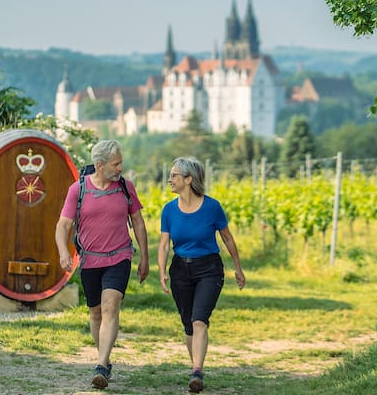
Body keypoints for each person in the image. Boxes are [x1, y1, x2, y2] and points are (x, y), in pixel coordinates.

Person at [55, 139, 149, 390]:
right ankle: (103, 361)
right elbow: (63, 225)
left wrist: (144, 257)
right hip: (90, 260)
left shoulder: (126, 188)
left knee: (110, 307)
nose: (120, 168)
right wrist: (64, 252)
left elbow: (138, 222)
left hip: (119, 257)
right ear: (100, 165)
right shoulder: (79, 189)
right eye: (116, 164)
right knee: (95, 313)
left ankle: (100, 364)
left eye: (121, 163)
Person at [157, 156, 246, 393]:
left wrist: (238, 267)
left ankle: (197, 371)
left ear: (189, 179)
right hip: (180, 270)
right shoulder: (168, 210)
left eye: (174, 175)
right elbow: (164, 244)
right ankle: (195, 366)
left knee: (199, 320)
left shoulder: (212, 207)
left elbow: (227, 238)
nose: (170, 179)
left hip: (209, 270)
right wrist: (162, 271)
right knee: (188, 324)